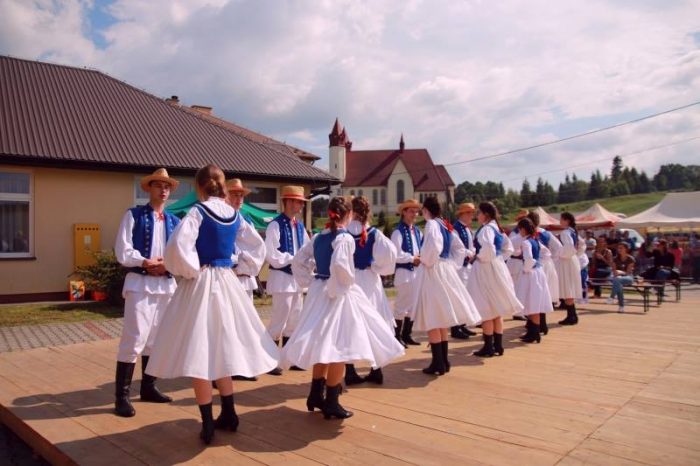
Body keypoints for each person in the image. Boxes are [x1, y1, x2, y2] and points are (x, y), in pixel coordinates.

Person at [145, 165, 279, 444]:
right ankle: (229, 413)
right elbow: (257, 247)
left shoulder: (198, 211)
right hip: (228, 282)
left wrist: (191, 270)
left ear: (200, 187)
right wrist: (243, 267)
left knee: (200, 352)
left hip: (202, 282)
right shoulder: (235, 214)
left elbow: (178, 247)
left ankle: (208, 423)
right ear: (221, 186)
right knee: (223, 347)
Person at [281, 197, 405, 420]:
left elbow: (298, 260)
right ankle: (331, 401)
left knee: (323, 344)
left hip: (320, 291)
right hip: (337, 296)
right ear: (348, 215)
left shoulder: (319, 236)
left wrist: (310, 280)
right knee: (340, 346)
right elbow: (340, 264)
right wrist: (342, 285)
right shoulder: (344, 237)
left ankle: (315, 394)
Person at [113, 168, 181, 418]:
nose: (163, 190)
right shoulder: (133, 215)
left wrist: (167, 265)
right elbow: (122, 250)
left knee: (157, 339)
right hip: (140, 283)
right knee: (135, 338)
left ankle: (149, 387)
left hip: (166, 285)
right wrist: (145, 262)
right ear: (148, 188)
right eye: (158, 185)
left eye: (167, 186)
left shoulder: (175, 221)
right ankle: (121, 396)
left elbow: (182, 253)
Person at [413, 197, 481, 375]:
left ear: (427, 210)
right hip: (444, 269)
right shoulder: (445, 224)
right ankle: (443, 361)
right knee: (441, 317)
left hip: (433, 270)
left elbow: (434, 245)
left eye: (423, 210)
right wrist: (451, 263)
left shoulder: (432, 224)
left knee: (433, 317)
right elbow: (459, 248)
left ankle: (438, 363)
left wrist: (426, 260)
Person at [344, 196, 398, 386]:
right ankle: (376, 369)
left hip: (350, 281)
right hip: (369, 280)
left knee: (350, 323)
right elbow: (391, 257)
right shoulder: (374, 233)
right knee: (374, 322)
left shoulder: (343, 232)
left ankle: (349, 370)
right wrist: (375, 266)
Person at [264, 186, 311, 375]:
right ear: (288, 202)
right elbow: (271, 254)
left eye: (301, 202)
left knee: (294, 321)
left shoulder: (300, 226)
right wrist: (294, 260)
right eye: (298, 201)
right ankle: (270, 361)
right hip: (282, 279)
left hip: (297, 281)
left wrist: (308, 263)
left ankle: (289, 359)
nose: (300, 205)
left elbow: (308, 250)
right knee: (278, 320)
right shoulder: (275, 225)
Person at [468, 202, 523, 357]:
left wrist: (479, 257)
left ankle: (488, 347)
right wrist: (499, 259)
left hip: (486, 270)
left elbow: (488, 248)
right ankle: (498, 345)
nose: (477, 216)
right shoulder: (497, 229)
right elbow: (508, 248)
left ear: (485, 214)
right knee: (496, 309)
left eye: (478, 213)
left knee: (486, 308)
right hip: (497, 267)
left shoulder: (486, 229)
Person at [226, 179, 266, 303]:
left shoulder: (247, 221)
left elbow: (259, 247)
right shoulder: (222, 220)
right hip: (229, 276)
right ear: (226, 196)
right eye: (235, 195)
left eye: (241, 195)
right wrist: (235, 261)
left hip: (247, 279)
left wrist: (248, 262)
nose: (239, 199)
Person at [514, 218, 553, 343]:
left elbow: (529, 259)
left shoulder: (526, 242)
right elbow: (547, 254)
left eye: (519, 229)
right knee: (532, 302)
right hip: (538, 272)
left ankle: (534, 333)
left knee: (532, 303)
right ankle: (532, 331)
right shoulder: (535, 240)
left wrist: (526, 268)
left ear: (523, 229)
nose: (519, 231)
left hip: (530, 274)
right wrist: (539, 263)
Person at [390, 199, 423, 347]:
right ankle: (396, 336)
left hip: (416, 272)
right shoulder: (398, 231)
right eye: (411, 211)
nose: (415, 214)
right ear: (403, 212)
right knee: (402, 305)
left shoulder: (417, 231)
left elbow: (421, 249)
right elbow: (395, 254)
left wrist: (421, 257)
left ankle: (406, 334)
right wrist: (412, 258)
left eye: (416, 211)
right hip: (404, 272)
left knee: (412, 306)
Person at [526, 210, 561, 335]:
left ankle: (536, 324)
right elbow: (558, 248)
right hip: (547, 264)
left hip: (536, 265)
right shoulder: (546, 233)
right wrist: (552, 259)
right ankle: (541, 324)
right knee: (543, 296)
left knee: (534, 295)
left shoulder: (530, 234)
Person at [451, 202, 478, 339]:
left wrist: (472, 252)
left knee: (465, 296)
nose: (471, 216)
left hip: (467, 265)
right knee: (458, 296)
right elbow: (456, 248)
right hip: (459, 267)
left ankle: (462, 324)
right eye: (469, 213)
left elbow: (471, 245)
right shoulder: (455, 229)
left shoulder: (467, 229)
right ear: (462, 214)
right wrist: (468, 252)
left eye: (472, 213)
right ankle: (455, 327)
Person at [557, 212, 583, 325]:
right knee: (569, 288)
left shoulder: (565, 232)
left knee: (568, 288)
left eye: (561, 220)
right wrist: (576, 254)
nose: (560, 222)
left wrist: (561, 254)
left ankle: (572, 316)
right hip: (573, 260)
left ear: (567, 220)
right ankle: (572, 315)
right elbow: (582, 245)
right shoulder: (574, 231)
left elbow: (569, 247)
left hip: (567, 262)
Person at [606, 243, 636, 313]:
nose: (619, 249)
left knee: (617, 280)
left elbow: (628, 273)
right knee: (618, 283)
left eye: (621, 248)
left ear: (626, 249)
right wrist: (616, 273)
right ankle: (621, 307)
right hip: (617, 278)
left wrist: (621, 272)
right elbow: (613, 270)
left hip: (628, 277)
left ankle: (612, 297)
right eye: (618, 248)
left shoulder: (630, 259)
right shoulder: (615, 259)